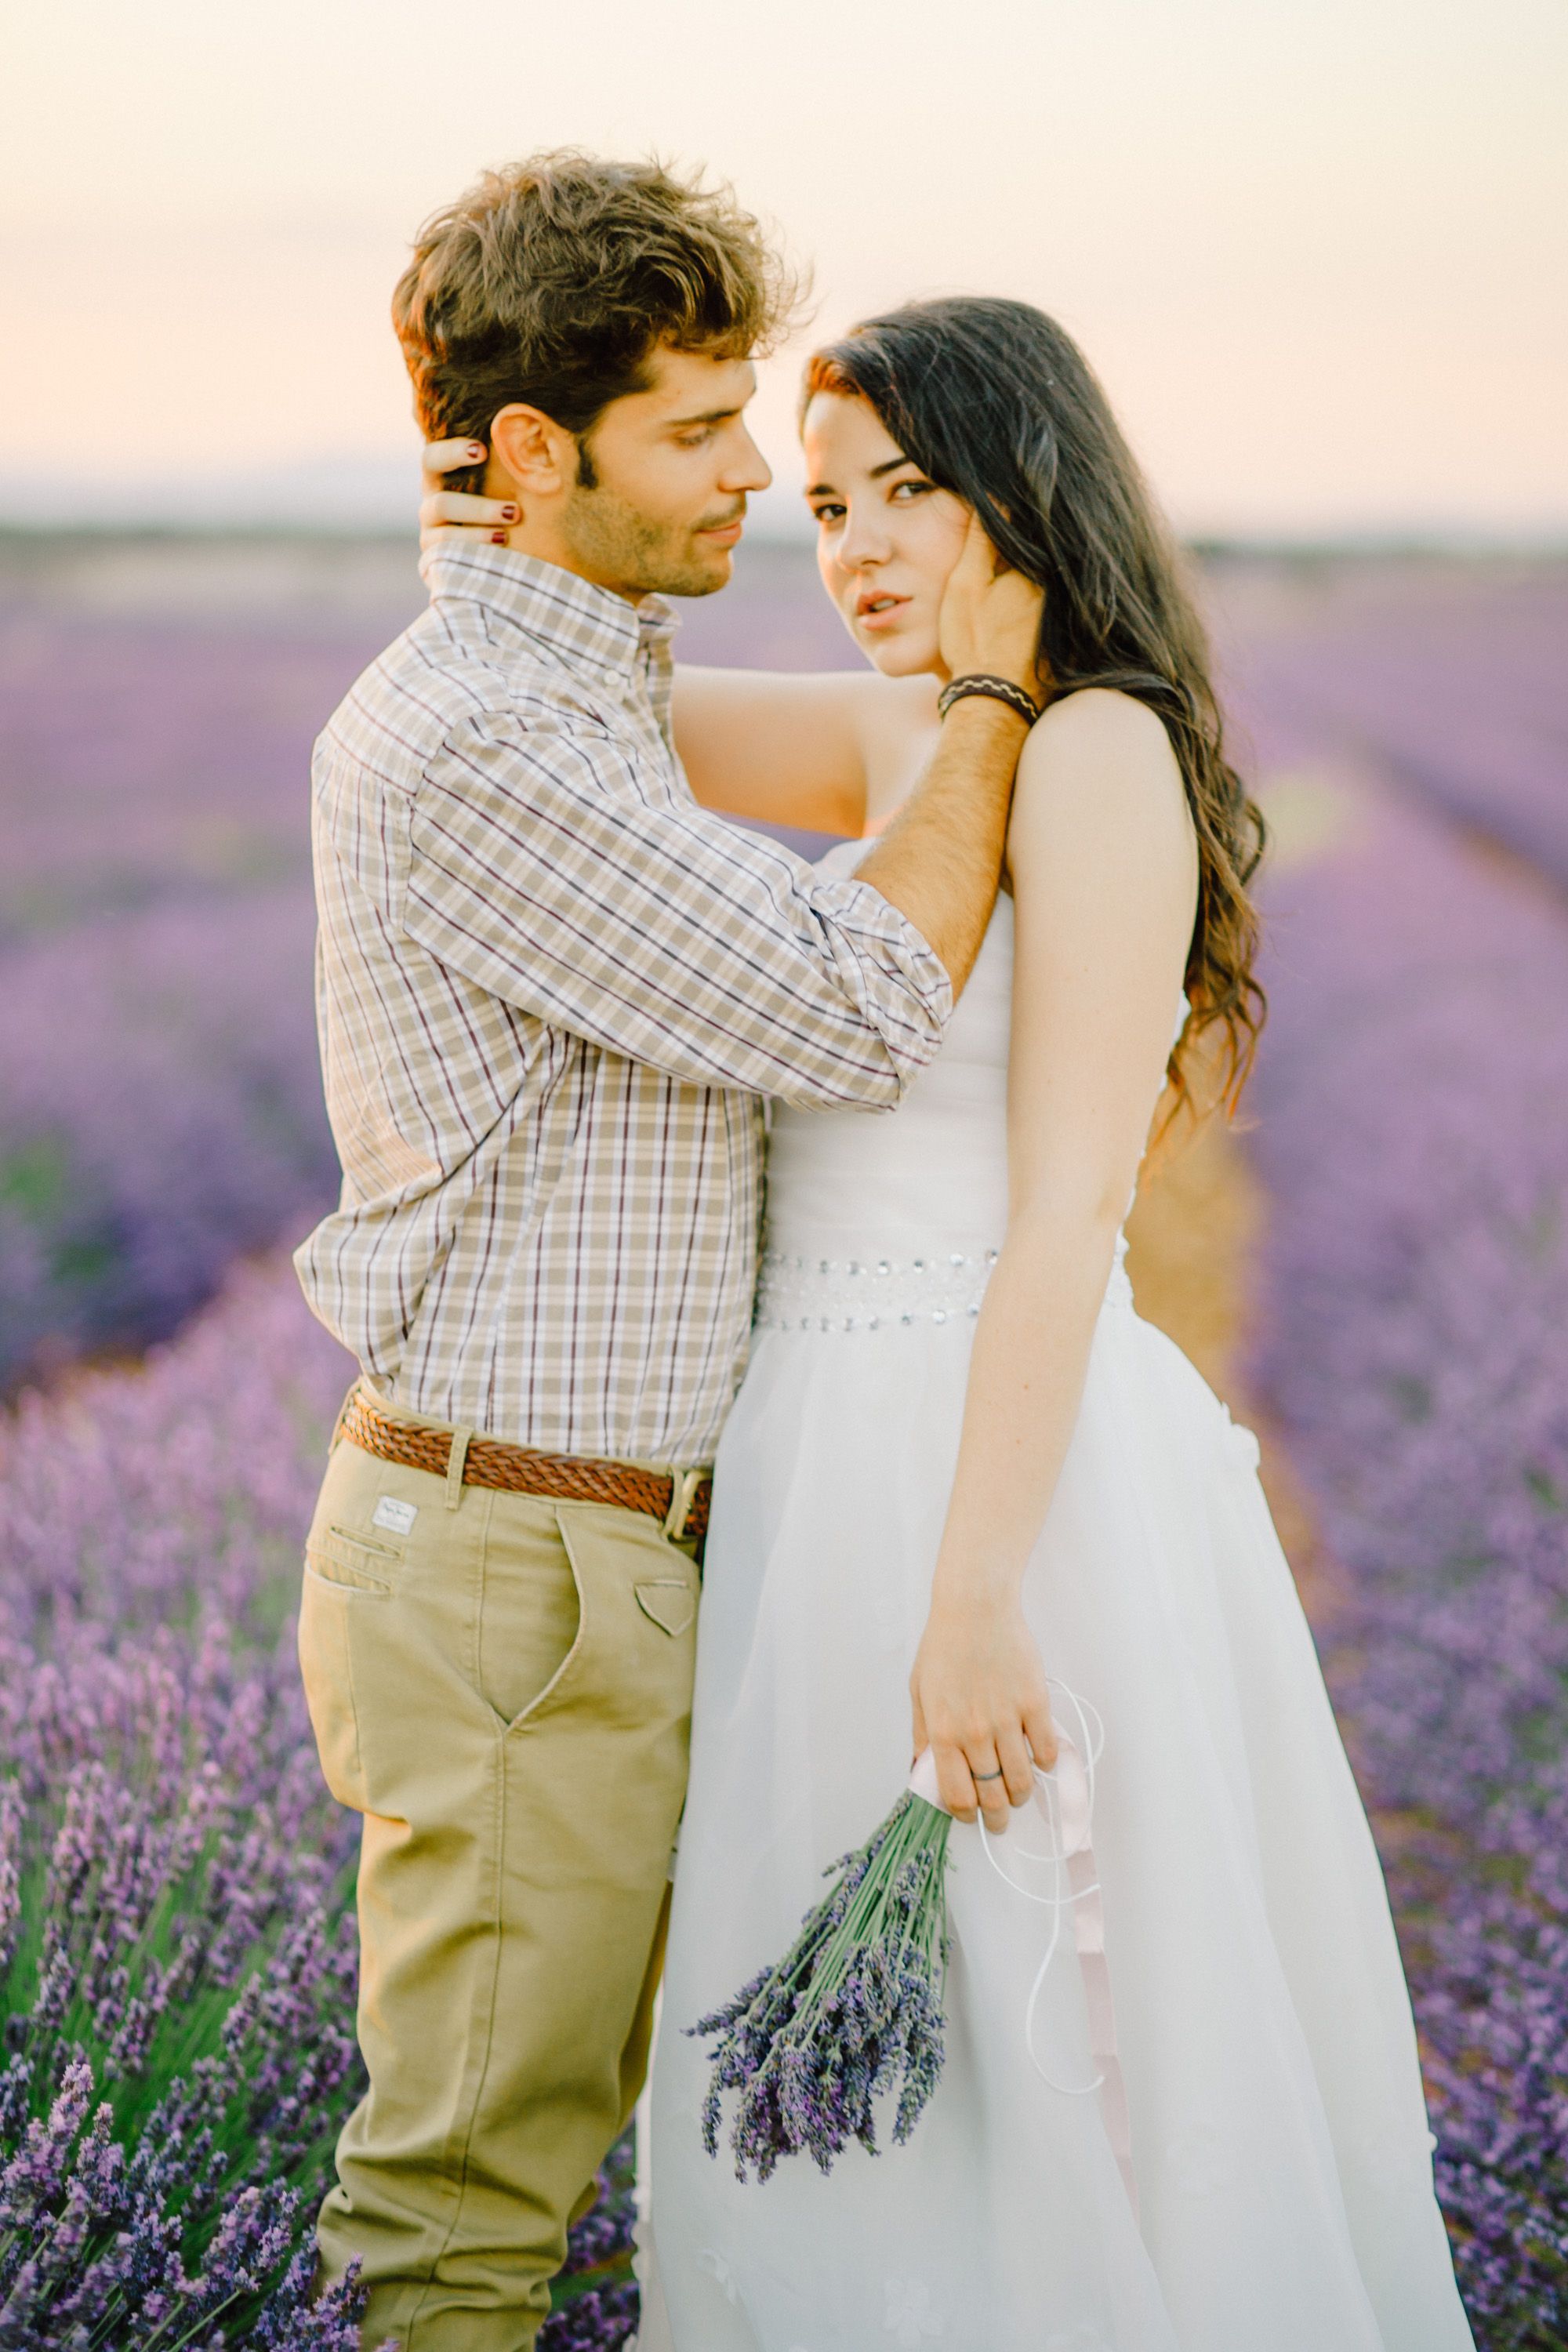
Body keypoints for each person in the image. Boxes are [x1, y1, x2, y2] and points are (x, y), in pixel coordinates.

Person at [622, 300, 1469, 2347]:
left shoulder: (1093, 751)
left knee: (1052, 2023)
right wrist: (512, 473)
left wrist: (979, 1594)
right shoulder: (887, 729)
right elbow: (562, 687)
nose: (859, 545)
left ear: (1033, 478)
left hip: (989, 1460)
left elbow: (1073, 1209)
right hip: (820, 1437)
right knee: (852, 2039)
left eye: (910, 487)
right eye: (825, 504)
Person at [292, 158, 1044, 2352]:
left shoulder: (582, 680)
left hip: (577, 1551)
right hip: (516, 1562)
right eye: (699, 433)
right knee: (465, 2203)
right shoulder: (488, 742)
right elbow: (854, 1005)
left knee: (550, 2134)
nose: (759, 485)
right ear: (539, 454)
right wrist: (990, 709)